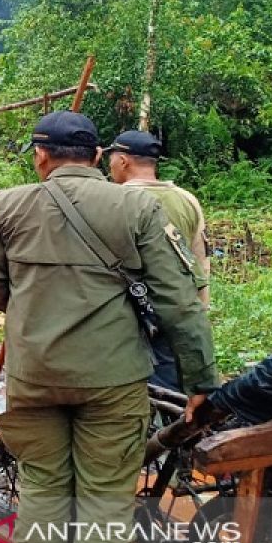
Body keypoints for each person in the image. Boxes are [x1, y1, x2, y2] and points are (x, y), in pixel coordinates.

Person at [0, 111, 219, 543]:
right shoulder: (138, 209)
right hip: (113, 378)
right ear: (100, 155)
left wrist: (35, 314)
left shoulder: (8, 205)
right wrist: (202, 381)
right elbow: (180, 303)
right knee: (105, 496)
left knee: (43, 483)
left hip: (34, 374)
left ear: (41, 155)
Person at [106, 129, 211, 391]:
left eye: (111, 159)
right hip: (180, 309)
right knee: (173, 387)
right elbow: (200, 259)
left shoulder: (113, 201)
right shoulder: (187, 200)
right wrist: (199, 310)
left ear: (123, 161)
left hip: (130, 315)